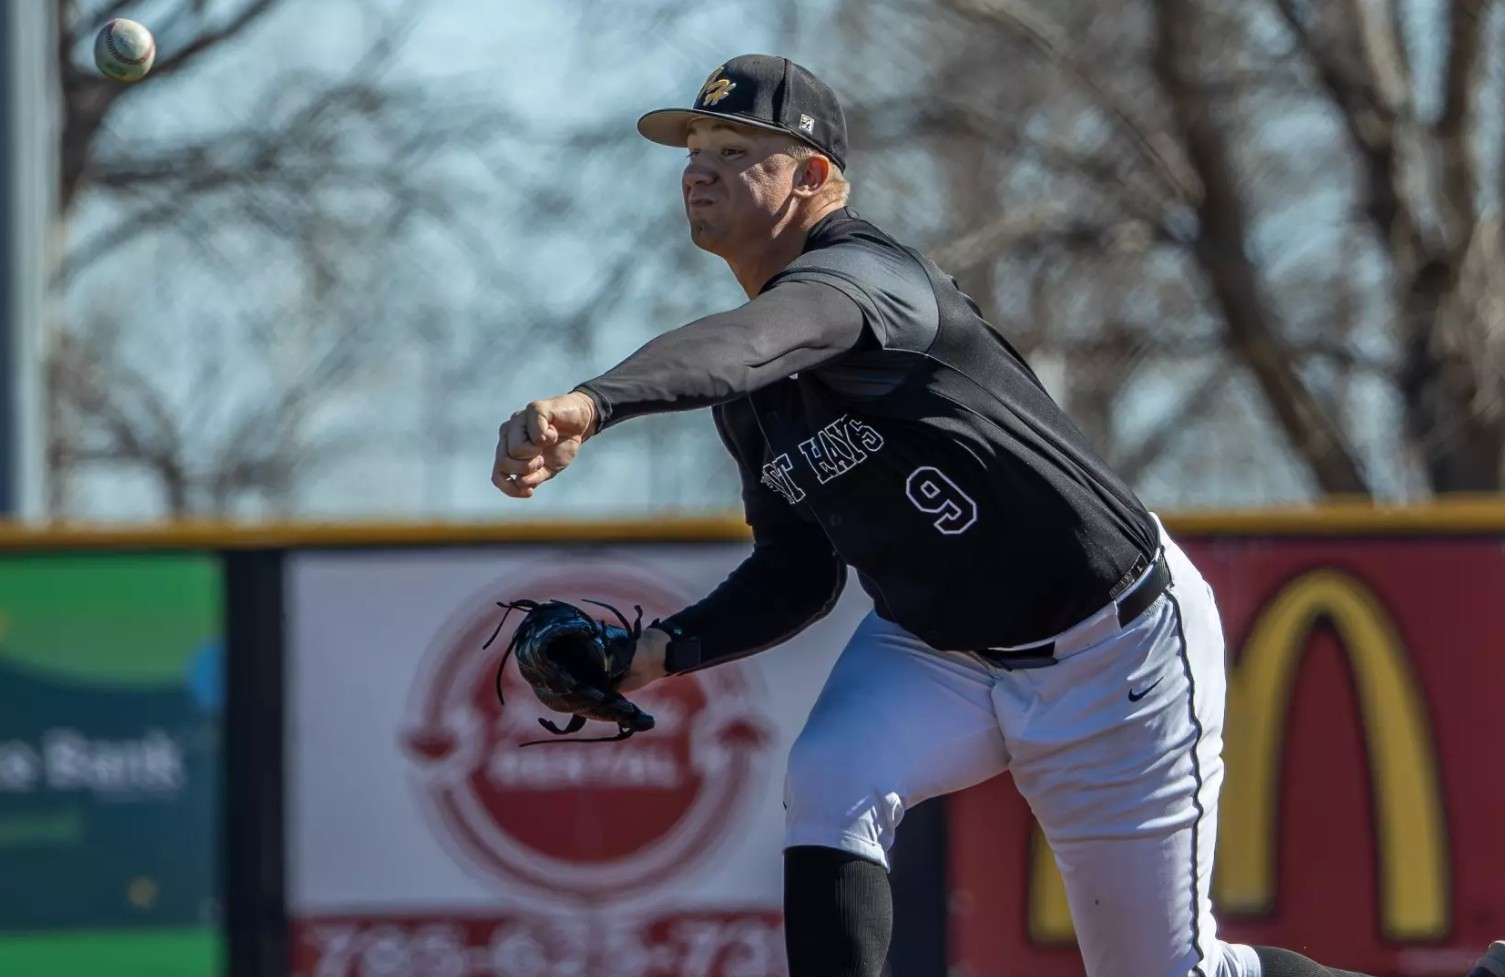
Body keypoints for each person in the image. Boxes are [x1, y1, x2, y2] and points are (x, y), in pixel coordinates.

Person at [491, 53, 1503, 977]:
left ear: (814, 179)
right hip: (937, 649)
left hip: (1115, 653)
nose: (698, 169)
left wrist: (591, 402)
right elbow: (798, 573)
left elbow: (763, 334)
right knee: (831, 773)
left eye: (737, 149)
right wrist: (657, 652)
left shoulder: (867, 280)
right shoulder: (754, 397)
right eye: (694, 151)